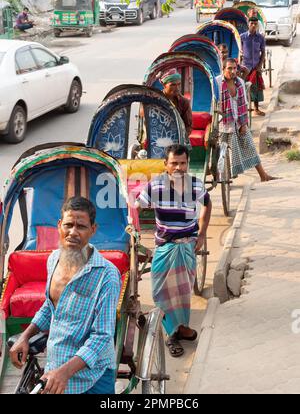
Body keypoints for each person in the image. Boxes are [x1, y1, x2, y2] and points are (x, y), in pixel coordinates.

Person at [9, 197, 121, 394]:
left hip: (91, 376)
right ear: (60, 226)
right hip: (55, 365)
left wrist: (64, 373)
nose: (73, 232)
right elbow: (50, 306)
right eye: (68, 225)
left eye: (81, 226)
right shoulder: (53, 259)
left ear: (93, 230)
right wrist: (25, 337)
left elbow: (102, 337)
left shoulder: (107, 275)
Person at [136, 144, 212, 357]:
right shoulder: (155, 186)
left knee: (182, 292)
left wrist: (203, 233)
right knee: (160, 292)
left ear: (187, 164)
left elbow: (207, 204)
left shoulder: (195, 185)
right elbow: (137, 207)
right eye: (174, 163)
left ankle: (179, 330)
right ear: (166, 165)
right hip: (164, 246)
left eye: (183, 163)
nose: (179, 168)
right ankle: (171, 332)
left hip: (187, 245)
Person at [216, 58, 277, 182]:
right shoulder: (216, 82)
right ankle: (223, 179)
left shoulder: (239, 82)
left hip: (238, 122)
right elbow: (213, 104)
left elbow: (243, 104)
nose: (232, 71)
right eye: (229, 68)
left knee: (250, 147)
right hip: (222, 124)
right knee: (219, 155)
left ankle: (263, 176)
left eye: (234, 68)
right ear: (223, 69)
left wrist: (243, 124)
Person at [240, 17, 266, 116]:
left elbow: (263, 52)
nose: (254, 25)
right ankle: (244, 110)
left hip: (256, 67)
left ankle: (256, 108)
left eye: (255, 23)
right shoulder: (242, 37)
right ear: (248, 24)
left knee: (256, 88)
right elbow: (239, 51)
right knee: (244, 88)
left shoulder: (260, 37)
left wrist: (260, 65)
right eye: (252, 23)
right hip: (245, 67)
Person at [161, 69, 193, 137]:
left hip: (177, 138)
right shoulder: (155, 99)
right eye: (173, 85)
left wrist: (180, 137)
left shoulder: (184, 102)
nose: (177, 88)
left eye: (179, 84)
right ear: (164, 85)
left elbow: (188, 126)